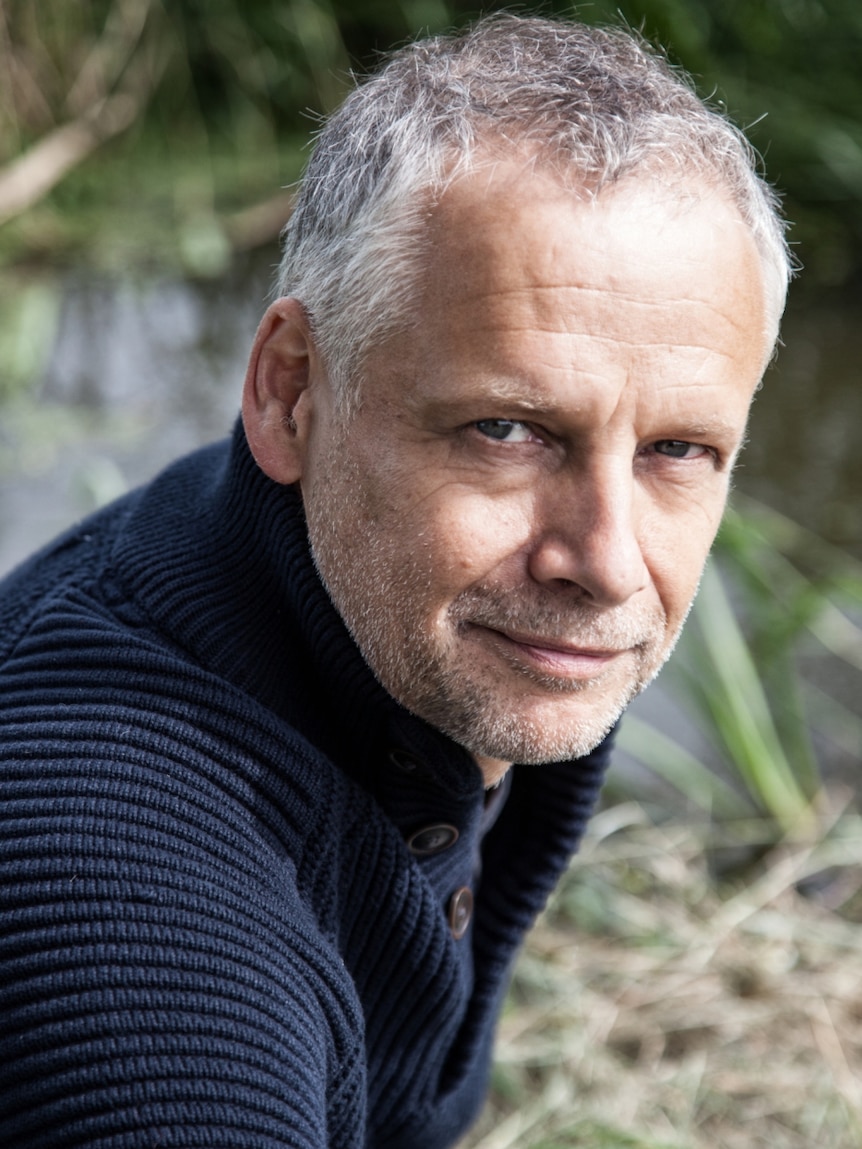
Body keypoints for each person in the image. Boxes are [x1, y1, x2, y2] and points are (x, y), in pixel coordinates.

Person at [0, 12, 789, 1149]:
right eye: (507, 430)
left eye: (677, 451)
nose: (608, 562)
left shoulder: (385, 607)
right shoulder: (132, 903)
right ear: (288, 392)